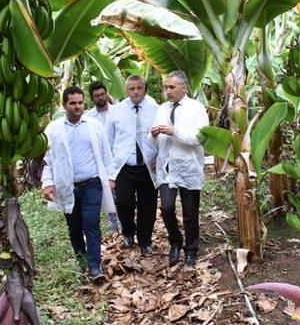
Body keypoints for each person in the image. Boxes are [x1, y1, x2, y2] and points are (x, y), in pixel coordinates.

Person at [41, 86, 116, 282]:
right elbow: (47, 160)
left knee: (91, 224)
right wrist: (48, 182)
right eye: (73, 103)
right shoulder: (54, 129)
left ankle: (94, 267)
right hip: (67, 186)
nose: (77, 107)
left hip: (92, 183)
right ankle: (82, 262)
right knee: (74, 228)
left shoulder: (93, 125)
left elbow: (106, 153)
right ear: (64, 104)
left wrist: (110, 177)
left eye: (80, 103)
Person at [149, 70, 209, 267]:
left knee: (190, 213)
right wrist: (155, 134)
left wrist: (175, 131)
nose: (167, 91)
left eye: (172, 87)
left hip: (188, 166)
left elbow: (200, 137)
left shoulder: (197, 108)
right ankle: (175, 241)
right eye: (166, 87)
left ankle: (191, 250)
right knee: (166, 208)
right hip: (166, 167)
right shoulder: (162, 109)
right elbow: (152, 141)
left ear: (184, 87)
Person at [107, 75, 159, 254]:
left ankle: (145, 241)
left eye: (139, 88)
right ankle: (128, 232)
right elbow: (108, 141)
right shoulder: (116, 111)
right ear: (126, 90)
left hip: (148, 167)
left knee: (148, 206)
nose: (136, 91)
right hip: (124, 167)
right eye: (132, 88)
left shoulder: (155, 109)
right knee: (123, 202)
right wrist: (110, 173)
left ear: (144, 88)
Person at [85, 81, 122, 234]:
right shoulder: (88, 117)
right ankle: (112, 221)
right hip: (101, 161)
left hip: (119, 158)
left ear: (107, 93)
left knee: (122, 194)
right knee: (107, 193)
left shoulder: (118, 111)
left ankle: (124, 221)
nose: (100, 97)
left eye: (102, 94)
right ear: (92, 98)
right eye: (96, 96)